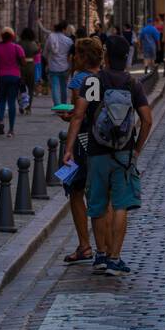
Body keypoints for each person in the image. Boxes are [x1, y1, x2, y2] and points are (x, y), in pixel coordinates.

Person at [62, 34, 153, 276]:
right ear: (126, 57)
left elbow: (79, 115)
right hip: (123, 153)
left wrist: (69, 148)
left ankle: (100, 255)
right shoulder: (132, 84)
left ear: (106, 56)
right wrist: (136, 149)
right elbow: (147, 120)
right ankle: (115, 258)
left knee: (98, 203)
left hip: (96, 151)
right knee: (121, 205)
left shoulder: (94, 81)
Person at [58, 37, 108, 267]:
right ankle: (105, 248)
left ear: (83, 57)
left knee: (75, 190)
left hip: (82, 141)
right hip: (103, 141)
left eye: (76, 54)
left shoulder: (79, 78)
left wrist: (68, 147)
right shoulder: (104, 77)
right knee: (99, 193)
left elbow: (77, 114)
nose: (73, 58)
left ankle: (85, 246)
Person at [0, 28, 25, 137]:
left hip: (2, 77)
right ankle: (11, 129)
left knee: (1, 100)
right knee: (11, 102)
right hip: (14, 77)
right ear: (12, 36)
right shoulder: (17, 48)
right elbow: (23, 63)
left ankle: (1, 121)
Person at [43, 22, 74, 107]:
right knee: (63, 87)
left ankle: (57, 106)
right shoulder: (68, 40)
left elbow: (45, 52)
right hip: (65, 66)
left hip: (53, 66)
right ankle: (63, 104)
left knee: (55, 87)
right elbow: (70, 54)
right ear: (63, 29)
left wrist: (47, 62)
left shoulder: (51, 37)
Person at [18, 27, 40, 113]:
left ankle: (21, 104)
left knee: (21, 87)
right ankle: (28, 108)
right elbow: (37, 51)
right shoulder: (33, 43)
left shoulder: (19, 43)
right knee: (30, 88)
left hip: (21, 66)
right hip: (31, 65)